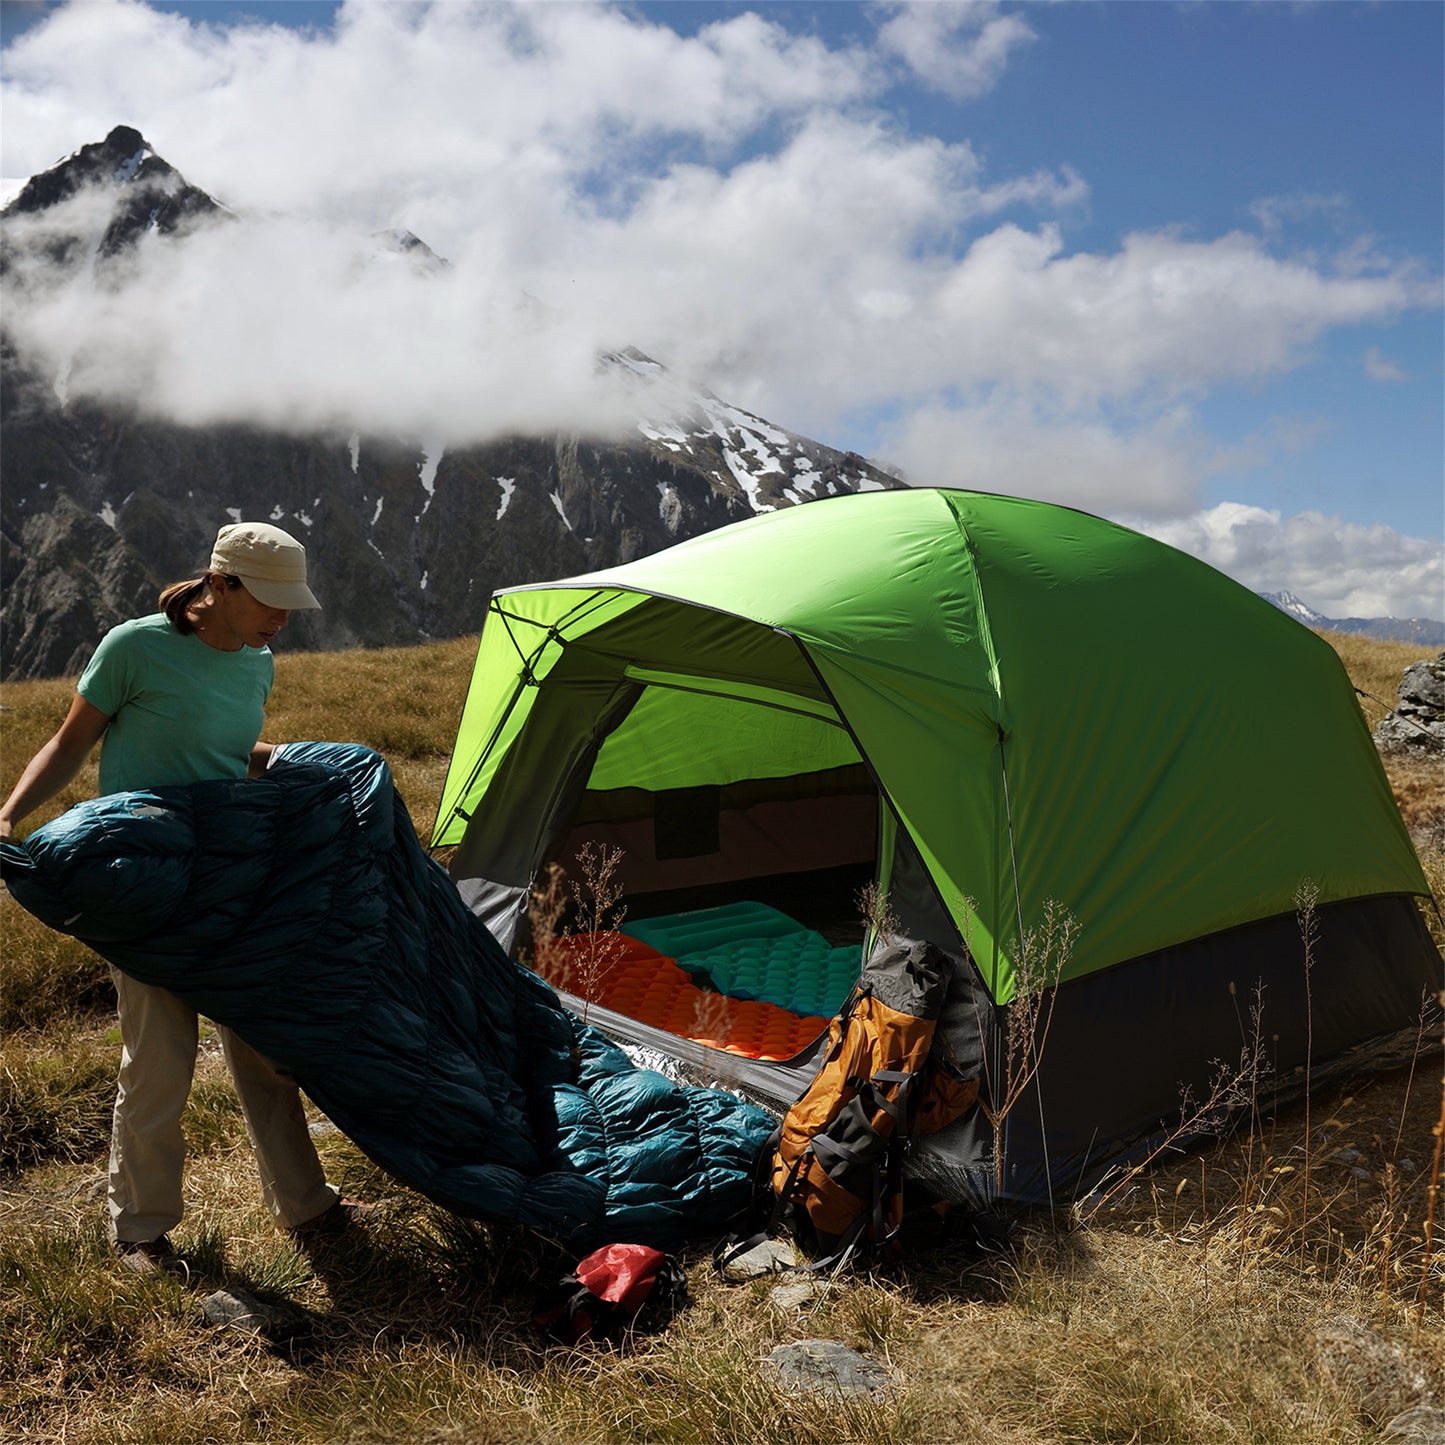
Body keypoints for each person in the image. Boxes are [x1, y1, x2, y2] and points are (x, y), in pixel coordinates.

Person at [0, 522, 364, 1276]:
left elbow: (227, 755)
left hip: (229, 877)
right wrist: (6, 815)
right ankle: (139, 1229)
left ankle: (307, 1204)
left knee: (264, 1049)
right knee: (159, 1057)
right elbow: (71, 743)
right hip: (146, 881)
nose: (283, 619)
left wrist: (300, 765)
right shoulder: (132, 647)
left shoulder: (258, 660)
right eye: (270, 601)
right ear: (220, 583)